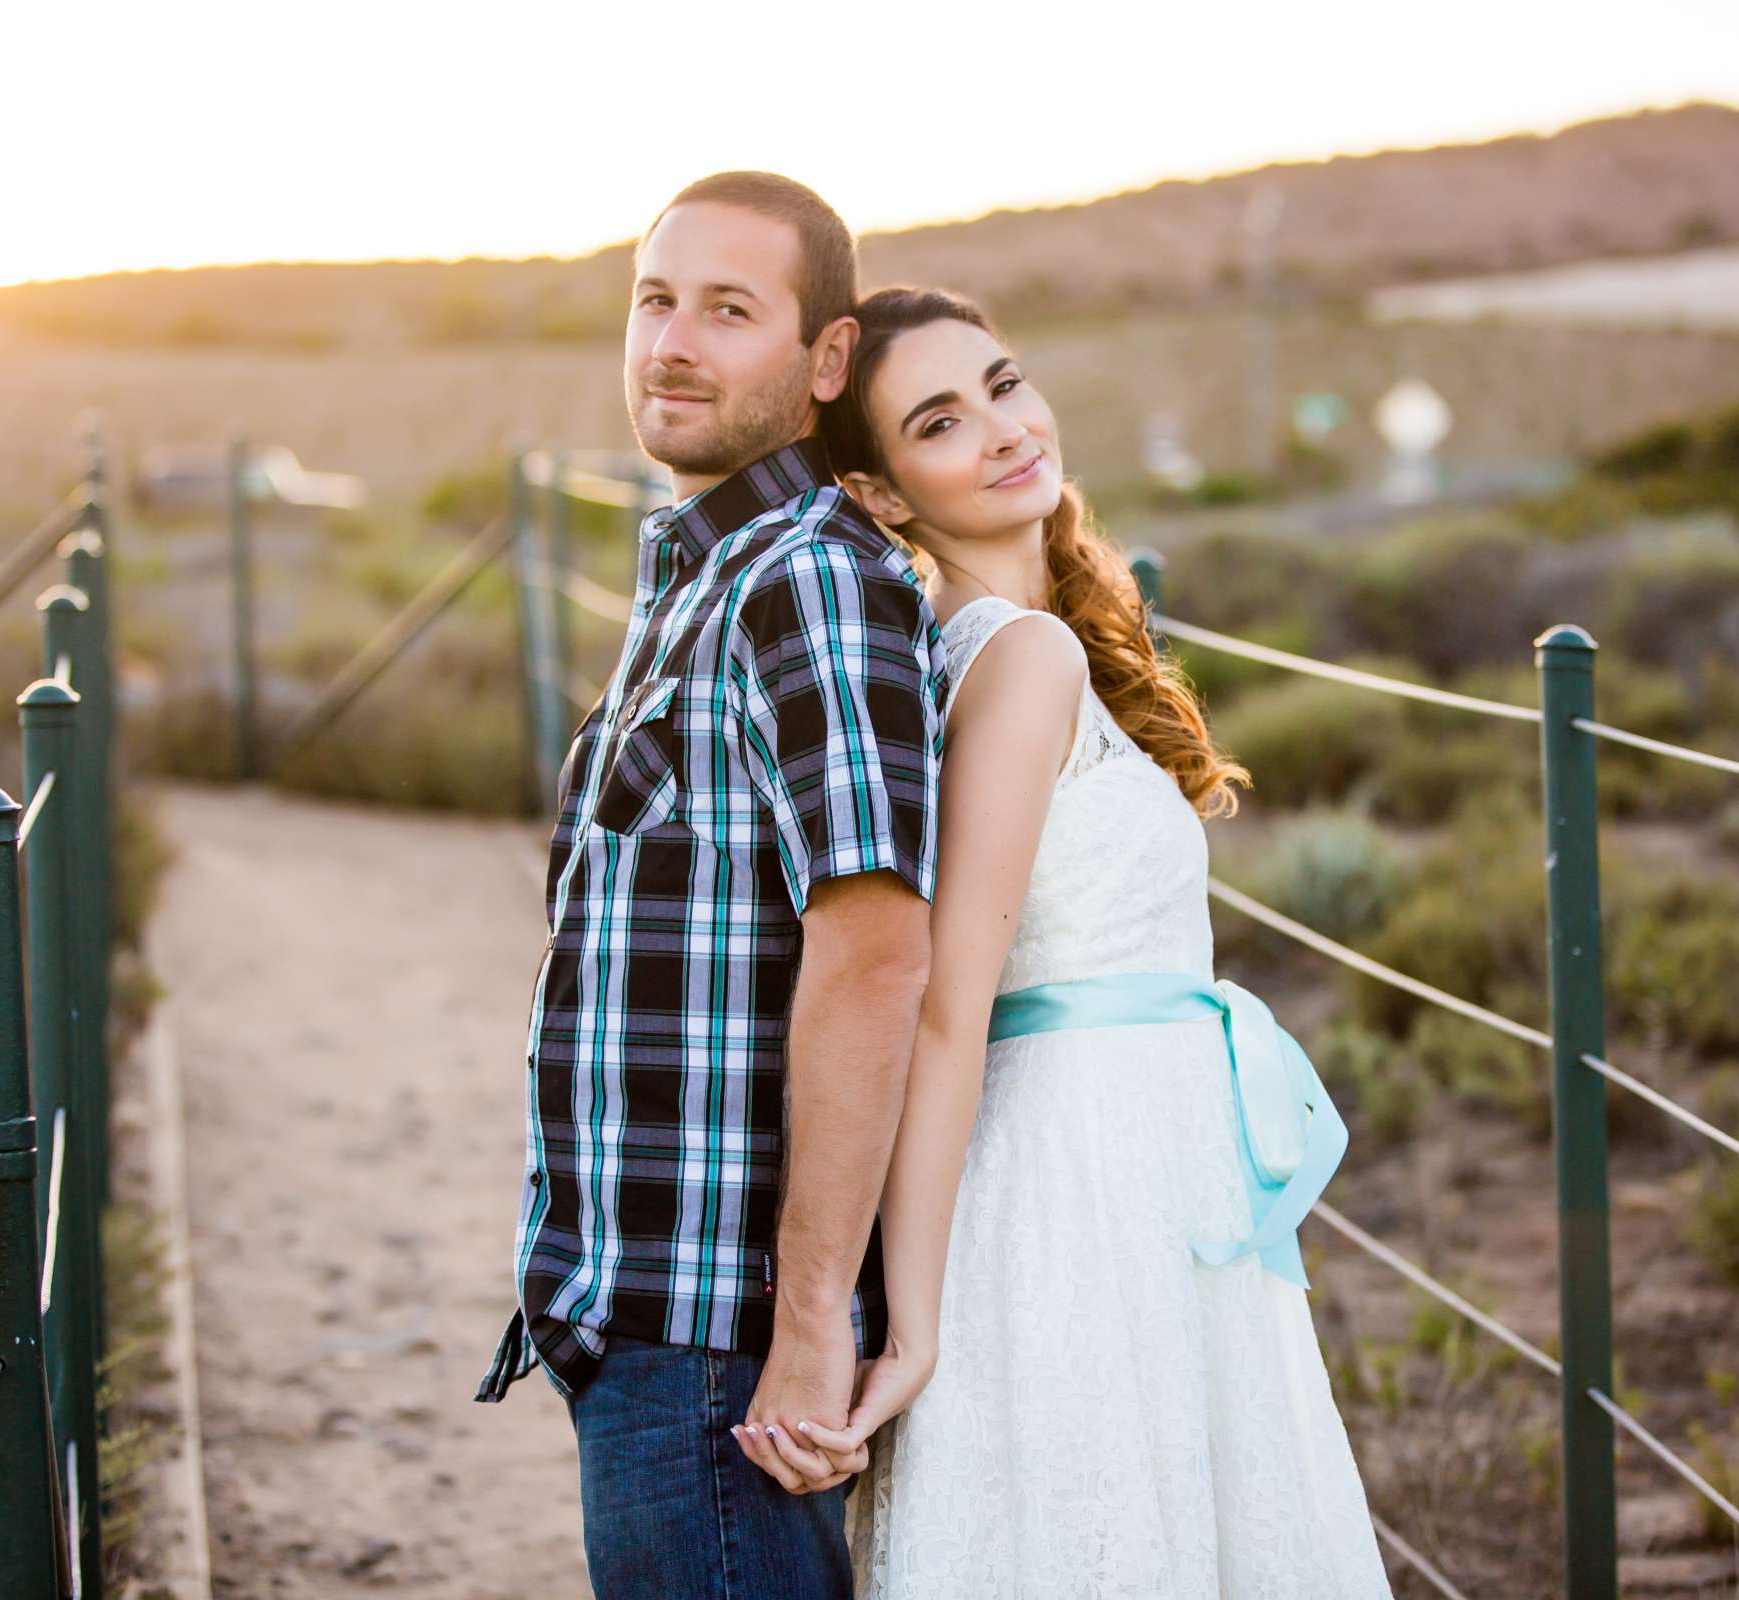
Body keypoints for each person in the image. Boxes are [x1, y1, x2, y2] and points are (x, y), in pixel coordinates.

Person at [755, 286, 1396, 1596]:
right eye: (941, 422)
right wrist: (917, 1321)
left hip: (1152, 1172)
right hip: (1071, 1186)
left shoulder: (1016, 648)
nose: (1002, 430)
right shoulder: (1023, 658)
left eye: (1004, 383)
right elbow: (947, 1007)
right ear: (881, 493)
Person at [475, 176, 945, 1600]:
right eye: (655, 299)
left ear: (823, 362)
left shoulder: (808, 585)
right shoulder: (704, 567)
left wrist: (809, 1321)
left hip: (723, 1340)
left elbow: (875, 958)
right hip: (638, 1303)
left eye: (728, 310)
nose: (671, 342)